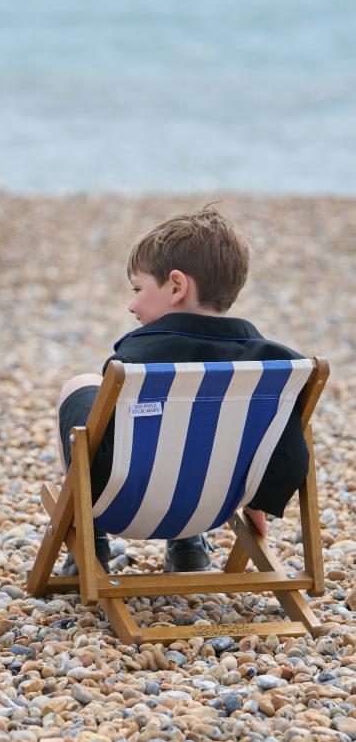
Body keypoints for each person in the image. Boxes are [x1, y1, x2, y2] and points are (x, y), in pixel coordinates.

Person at [57, 206, 308, 574]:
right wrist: (258, 504)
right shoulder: (277, 369)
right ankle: (188, 542)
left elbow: (103, 452)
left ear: (176, 286)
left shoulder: (134, 364)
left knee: (79, 387)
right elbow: (287, 452)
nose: (131, 304)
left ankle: (88, 538)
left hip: (122, 510)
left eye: (138, 288)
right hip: (212, 510)